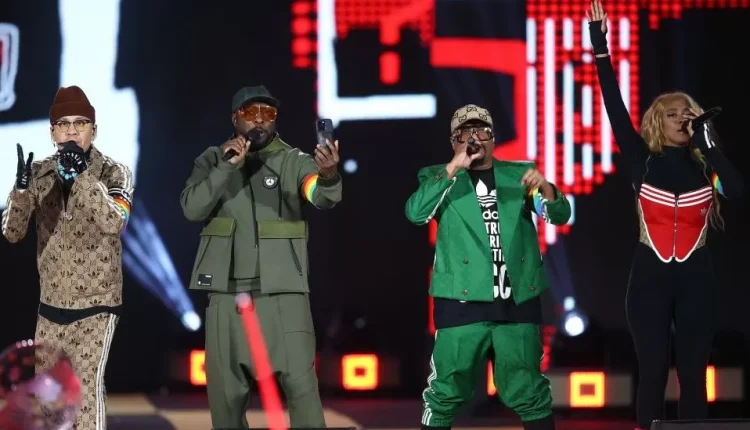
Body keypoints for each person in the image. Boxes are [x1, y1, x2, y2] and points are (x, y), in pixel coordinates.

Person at [586, 2, 744, 428]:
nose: (680, 119)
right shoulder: (642, 159)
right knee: (653, 373)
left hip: (698, 280)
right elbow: (614, 106)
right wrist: (600, 46)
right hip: (649, 280)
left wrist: (707, 143)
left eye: (686, 113)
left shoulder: (706, 166)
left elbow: (737, 191)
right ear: (657, 122)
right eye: (671, 114)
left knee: (693, 376)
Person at [180, 85, 342, 429]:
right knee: (226, 398)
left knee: (301, 389)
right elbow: (192, 208)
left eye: (267, 113)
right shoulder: (212, 160)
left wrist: (328, 176)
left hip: (283, 294)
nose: (259, 120)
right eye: (251, 112)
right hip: (226, 295)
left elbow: (320, 195)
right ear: (234, 118)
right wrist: (226, 167)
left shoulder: (294, 160)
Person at [405, 104, 571, 430]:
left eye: (482, 131)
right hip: (461, 301)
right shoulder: (438, 176)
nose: (474, 138)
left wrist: (546, 188)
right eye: (465, 132)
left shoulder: (520, 175)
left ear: (493, 138)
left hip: (516, 302)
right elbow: (415, 213)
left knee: (530, 392)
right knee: (445, 393)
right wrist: (454, 167)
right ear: (454, 141)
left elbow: (558, 215)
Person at [1, 85, 134, 430]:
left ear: (94, 130)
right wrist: (20, 191)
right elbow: (12, 232)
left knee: (85, 392)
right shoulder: (39, 173)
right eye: (63, 124)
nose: (72, 131)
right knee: (49, 399)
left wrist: (82, 177)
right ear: (53, 133)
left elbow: (114, 222)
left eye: (80, 123)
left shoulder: (114, 173)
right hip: (51, 305)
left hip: (97, 305)